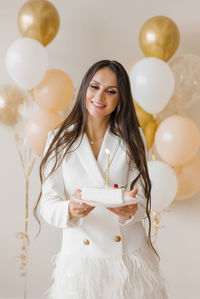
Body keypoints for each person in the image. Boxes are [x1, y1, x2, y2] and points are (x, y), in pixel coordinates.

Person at [34, 60, 168, 299]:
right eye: (94, 87)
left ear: (121, 98)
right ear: (85, 88)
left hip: (128, 259)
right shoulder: (59, 139)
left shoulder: (132, 136)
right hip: (81, 264)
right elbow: (48, 201)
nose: (100, 96)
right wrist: (70, 209)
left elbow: (143, 194)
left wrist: (131, 211)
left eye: (111, 91)